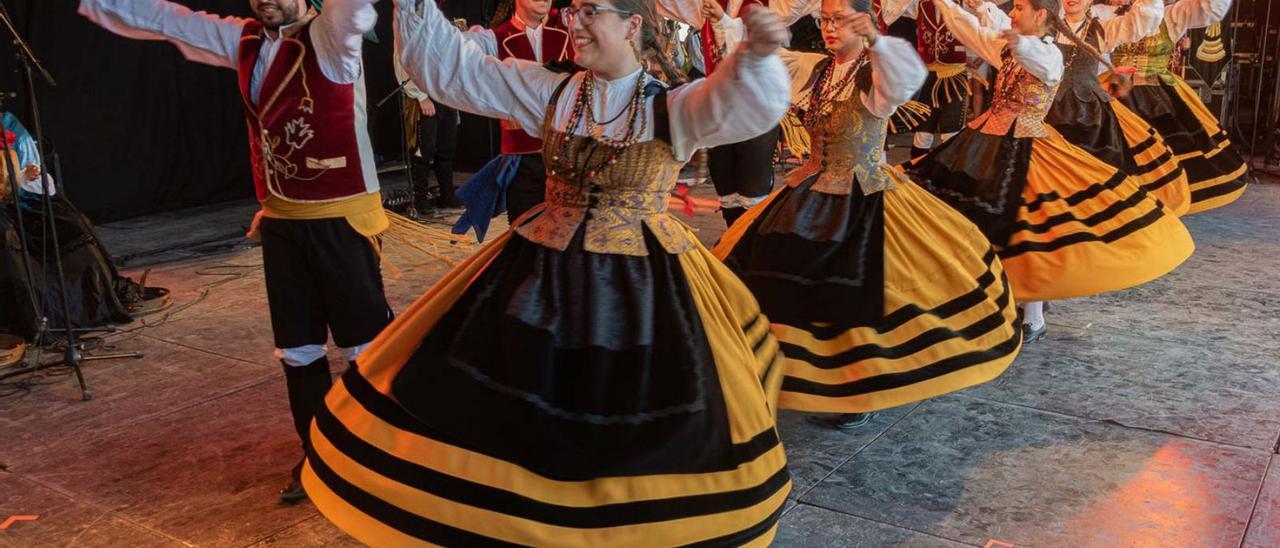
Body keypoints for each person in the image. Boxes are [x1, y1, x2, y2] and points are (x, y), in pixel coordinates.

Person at [301, 0, 796, 544]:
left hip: (638, 286)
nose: (574, 23)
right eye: (573, 11)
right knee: (507, 406)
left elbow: (738, 106)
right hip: (541, 268)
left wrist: (756, 55)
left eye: (591, 12)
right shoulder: (554, 90)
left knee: (629, 414)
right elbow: (457, 73)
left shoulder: (672, 105)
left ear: (633, 25)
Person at [79, 0, 394, 504]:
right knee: (298, 349)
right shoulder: (244, 41)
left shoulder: (333, 36)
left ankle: (381, 457)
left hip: (340, 220)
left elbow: (356, 11)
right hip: (281, 223)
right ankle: (319, 456)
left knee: (365, 348)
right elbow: (163, 19)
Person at [710, 0, 1021, 430]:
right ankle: (785, 372)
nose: (829, 28)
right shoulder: (818, 69)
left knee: (855, 295)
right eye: (824, 20)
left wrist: (878, 40)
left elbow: (906, 77)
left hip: (862, 196)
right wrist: (731, 23)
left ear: (865, 24)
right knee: (773, 275)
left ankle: (858, 390)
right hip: (809, 189)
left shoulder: (876, 74)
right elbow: (762, 53)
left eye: (840, 20)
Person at [906, 0, 1194, 342]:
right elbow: (972, 31)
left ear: (1041, 14)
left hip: (1036, 144)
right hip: (989, 141)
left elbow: (1041, 62)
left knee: (1033, 229)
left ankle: (1034, 316)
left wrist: (1019, 42)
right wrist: (945, 5)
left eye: (1019, 9)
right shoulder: (1009, 46)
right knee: (986, 221)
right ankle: (996, 298)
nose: (1012, 13)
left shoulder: (1048, 52)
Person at [975, 0, 1192, 215]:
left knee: (1091, 175)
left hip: (1089, 118)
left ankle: (1092, 219)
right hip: (1046, 110)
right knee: (1043, 175)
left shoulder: (1102, 29)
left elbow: (1141, 20)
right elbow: (1005, 31)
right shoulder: (1045, 26)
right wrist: (983, 10)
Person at [1100, 0, 1247, 214]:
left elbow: (1211, 9)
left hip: (1157, 95)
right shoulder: (1101, 14)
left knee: (1167, 152)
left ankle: (1162, 207)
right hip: (1115, 90)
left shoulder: (1169, 15)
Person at [1, 111, 135, 340]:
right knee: (7, 237)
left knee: (70, 223)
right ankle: (27, 316)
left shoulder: (8, 127)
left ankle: (83, 306)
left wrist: (29, 177)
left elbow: (20, 177)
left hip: (15, 204)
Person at [448, 0, 575, 241]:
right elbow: (451, 58)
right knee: (524, 235)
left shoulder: (570, 35)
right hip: (523, 162)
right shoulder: (493, 39)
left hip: (567, 162)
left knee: (565, 239)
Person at [702, 0, 782, 227]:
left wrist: (723, 21)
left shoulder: (768, 5)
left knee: (752, 193)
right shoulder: (710, 4)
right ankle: (732, 247)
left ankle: (749, 249)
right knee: (726, 190)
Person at [393, 1, 461, 211]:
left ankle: (447, 195)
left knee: (447, 148)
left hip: (445, 95)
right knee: (424, 149)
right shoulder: (407, 20)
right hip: (425, 96)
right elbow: (401, 61)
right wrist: (421, 96)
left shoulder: (436, 19)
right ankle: (420, 199)